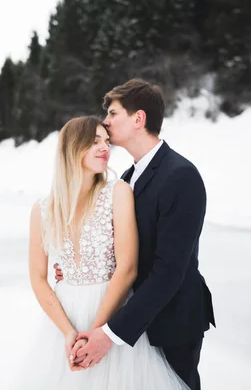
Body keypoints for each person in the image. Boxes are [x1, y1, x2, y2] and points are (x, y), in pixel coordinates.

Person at [54, 79, 215, 389]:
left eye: (113, 114)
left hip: (171, 321)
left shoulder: (180, 176)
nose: (106, 121)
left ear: (138, 119)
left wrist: (110, 334)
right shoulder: (127, 178)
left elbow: (170, 271)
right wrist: (80, 266)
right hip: (133, 322)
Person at [17, 115, 189, 389]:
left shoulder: (118, 192)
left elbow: (127, 268)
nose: (104, 148)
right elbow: (38, 278)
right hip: (64, 319)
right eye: (95, 141)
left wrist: (96, 334)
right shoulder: (42, 210)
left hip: (111, 313)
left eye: (107, 141)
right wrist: (69, 333)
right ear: (72, 146)